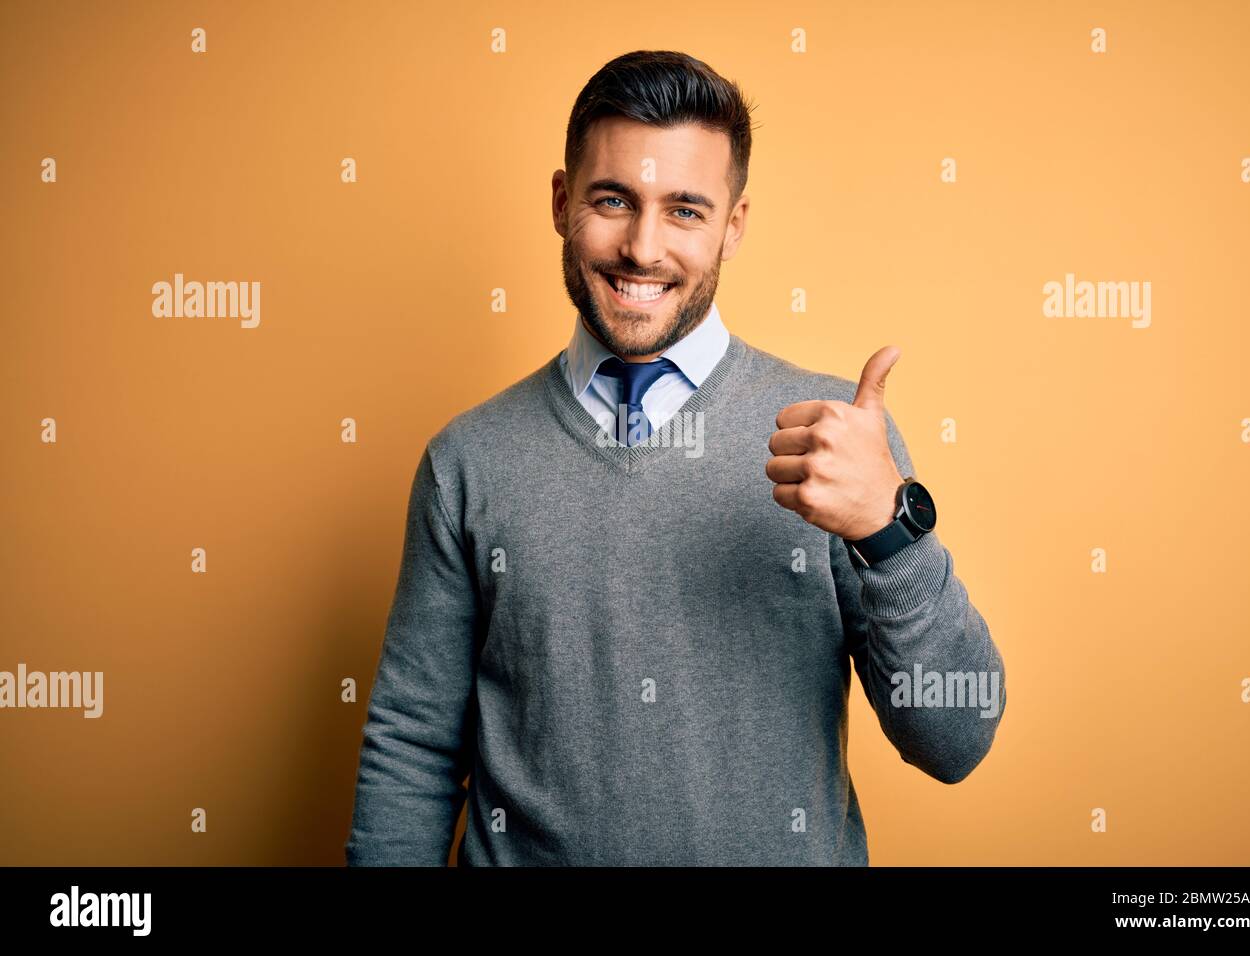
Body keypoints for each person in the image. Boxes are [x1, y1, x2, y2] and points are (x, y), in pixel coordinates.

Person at [345, 49, 1006, 866]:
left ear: (733, 225)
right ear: (561, 202)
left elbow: (955, 742)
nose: (642, 248)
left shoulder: (839, 444)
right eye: (613, 200)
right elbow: (411, 747)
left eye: (686, 210)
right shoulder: (467, 461)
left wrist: (889, 530)